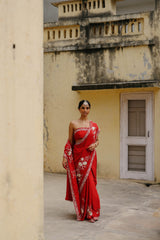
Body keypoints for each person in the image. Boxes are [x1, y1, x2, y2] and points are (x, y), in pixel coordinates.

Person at [62, 100, 100, 223]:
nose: (85, 110)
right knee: (81, 185)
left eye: (87, 108)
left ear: (90, 109)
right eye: (83, 108)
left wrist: (95, 145)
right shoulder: (73, 124)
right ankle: (83, 211)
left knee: (90, 183)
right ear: (79, 109)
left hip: (90, 158)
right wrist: (64, 157)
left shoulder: (94, 125)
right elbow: (70, 142)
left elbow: (97, 140)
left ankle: (92, 212)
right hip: (78, 158)